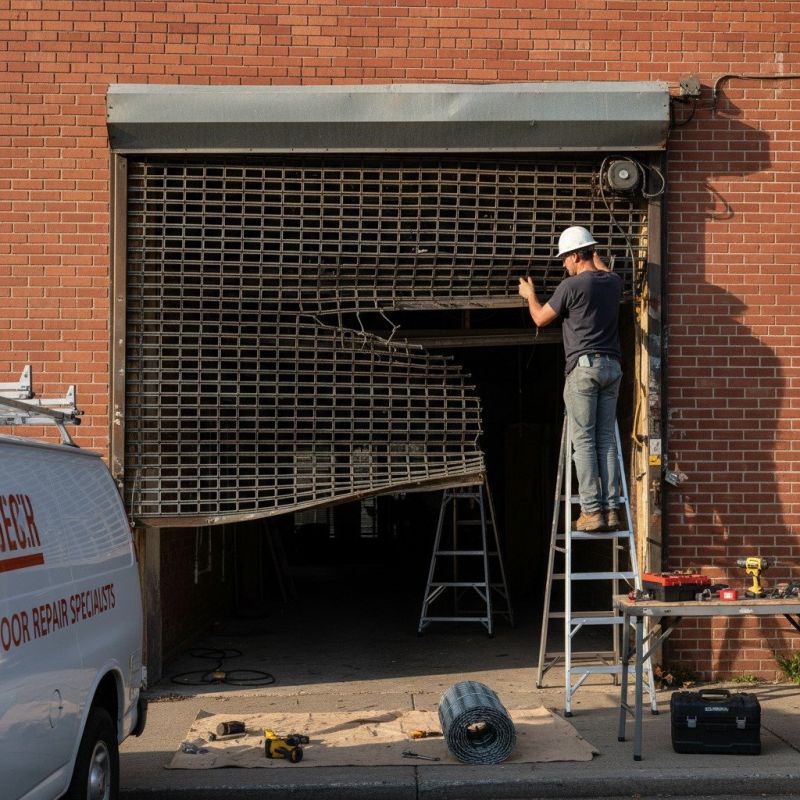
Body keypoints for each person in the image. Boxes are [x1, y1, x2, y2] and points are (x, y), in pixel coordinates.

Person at [518, 226, 623, 533]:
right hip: (612, 368)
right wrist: (595, 257)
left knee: (585, 441)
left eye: (566, 258)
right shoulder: (613, 282)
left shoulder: (571, 286)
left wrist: (530, 295)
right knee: (605, 440)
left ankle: (591, 511)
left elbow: (540, 318)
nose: (564, 264)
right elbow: (602, 269)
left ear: (577, 256)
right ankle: (612, 510)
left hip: (584, 367)